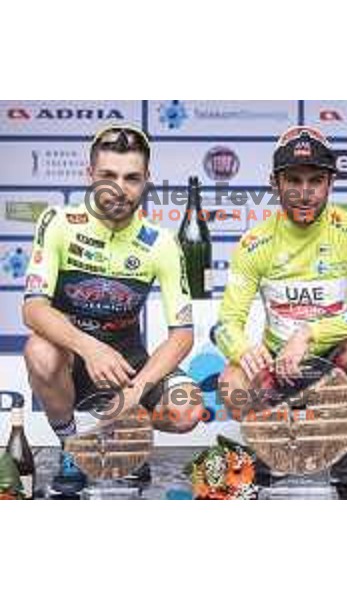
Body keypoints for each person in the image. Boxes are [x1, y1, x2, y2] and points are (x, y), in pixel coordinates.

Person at [22, 125, 203, 495]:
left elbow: (182, 335)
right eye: (108, 175)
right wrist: (90, 347)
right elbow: (34, 309)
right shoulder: (58, 222)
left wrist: (137, 389)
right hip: (73, 359)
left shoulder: (162, 242)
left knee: (188, 411)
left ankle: (127, 440)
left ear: (147, 180)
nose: (119, 188)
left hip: (128, 364)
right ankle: (72, 447)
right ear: (90, 175)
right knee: (39, 350)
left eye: (132, 178)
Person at [214, 126, 347, 485]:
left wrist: (309, 334)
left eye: (315, 181)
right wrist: (242, 348)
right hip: (279, 367)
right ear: (274, 183)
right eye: (293, 180)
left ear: (331, 183)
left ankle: (343, 439)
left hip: (335, 364)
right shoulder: (254, 242)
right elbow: (226, 324)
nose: (304, 193)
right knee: (231, 383)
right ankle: (275, 446)